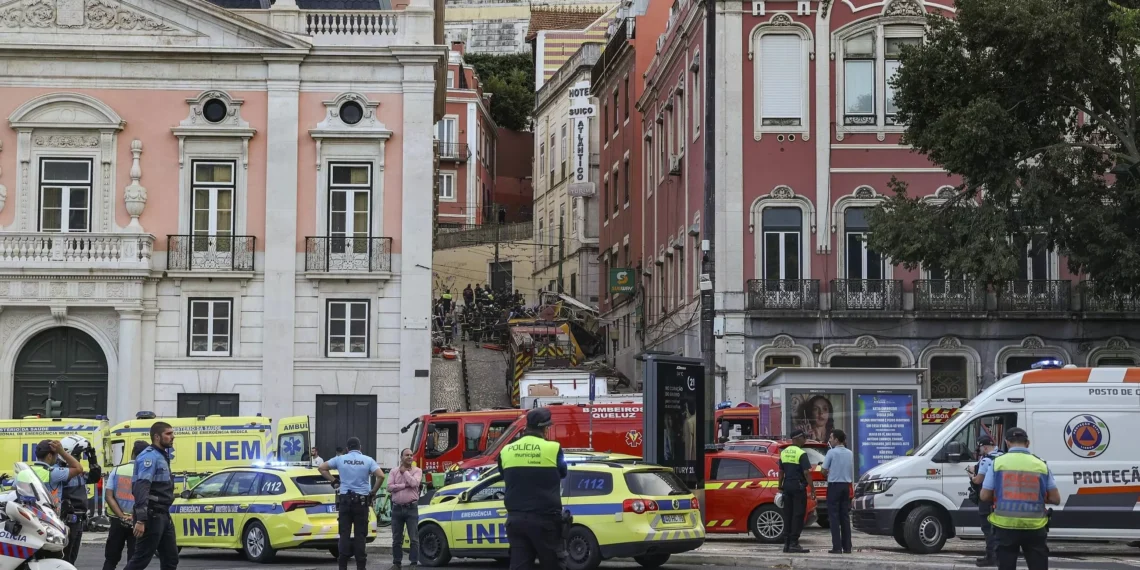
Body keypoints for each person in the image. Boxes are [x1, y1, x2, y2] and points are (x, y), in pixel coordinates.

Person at [497, 408, 568, 570]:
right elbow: (563, 473)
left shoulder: (506, 451)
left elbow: (504, 474)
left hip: (516, 520)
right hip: (546, 520)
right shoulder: (553, 448)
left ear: (527, 426)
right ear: (545, 428)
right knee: (553, 564)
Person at [980, 427, 1060, 570]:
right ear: (1027, 443)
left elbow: (984, 496)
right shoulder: (1041, 464)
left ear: (1007, 443)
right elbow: (1055, 498)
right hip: (1035, 527)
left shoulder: (997, 463)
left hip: (1005, 527)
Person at [319, 437, 385, 570]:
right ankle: (361, 567)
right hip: (361, 502)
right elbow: (381, 476)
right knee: (360, 536)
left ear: (347, 449)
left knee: (344, 534)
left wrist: (334, 481)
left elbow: (322, 468)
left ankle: (342, 566)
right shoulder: (368, 460)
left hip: (345, 501)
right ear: (360, 447)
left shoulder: (340, 459)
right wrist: (372, 492)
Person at [123, 422, 178, 570]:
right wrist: (141, 519)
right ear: (157, 437)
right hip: (152, 515)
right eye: (168, 434)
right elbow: (141, 488)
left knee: (171, 559)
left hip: (163, 514)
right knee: (140, 560)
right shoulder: (149, 457)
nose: (173, 436)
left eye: (172, 433)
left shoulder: (161, 456)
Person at [104, 441, 149, 570]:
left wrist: (122, 516)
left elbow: (109, 496)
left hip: (118, 521)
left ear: (132, 453)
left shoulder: (118, 469)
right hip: (138, 522)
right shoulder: (147, 473)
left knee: (111, 558)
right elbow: (148, 498)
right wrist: (133, 515)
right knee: (134, 559)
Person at [60, 436, 102, 563]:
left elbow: (94, 477)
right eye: (77, 456)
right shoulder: (62, 473)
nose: (79, 459)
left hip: (79, 520)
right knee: (65, 557)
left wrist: (92, 457)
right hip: (68, 521)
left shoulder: (78, 473)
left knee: (72, 557)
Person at [969, 434, 1004, 567]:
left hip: (987, 498)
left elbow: (978, 480)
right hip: (1002, 498)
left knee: (987, 528)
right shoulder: (1002, 455)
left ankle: (990, 557)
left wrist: (971, 475)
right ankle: (999, 556)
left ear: (984, 447)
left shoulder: (986, 460)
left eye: (980, 449)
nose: (980, 451)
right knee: (999, 528)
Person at [778, 429, 814, 553]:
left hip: (787, 486)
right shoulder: (801, 453)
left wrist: (780, 486)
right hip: (798, 487)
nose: (805, 440)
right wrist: (812, 489)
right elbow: (806, 473)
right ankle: (794, 543)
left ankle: (786, 544)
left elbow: (781, 472)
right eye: (804, 437)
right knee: (798, 515)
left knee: (788, 515)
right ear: (797, 438)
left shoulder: (784, 452)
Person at [26, 439, 84, 511]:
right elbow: (78, 468)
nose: (57, 458)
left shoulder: (24, 472)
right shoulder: (53, 473)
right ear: (50, 456)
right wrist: (62, 452)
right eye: (56, 455)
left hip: (30, 515)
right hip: (48, 516)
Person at [387, 448, 422, 569]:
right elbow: (389, 487)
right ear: (401, 457)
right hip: (397, 509)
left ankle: (413, 563)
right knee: (396, 538)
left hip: (411, 508)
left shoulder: (417, 471)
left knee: (414, 538)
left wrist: (405, 473)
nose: (410, 457)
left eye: (411, 455)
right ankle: (397, 563)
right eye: (407, 455)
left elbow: (414, 484)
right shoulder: (393, 471)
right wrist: (404, 485)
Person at [821, 429, 854, 554]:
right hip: (846, 486)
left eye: (831, 437)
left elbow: (823, 470)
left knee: (834, 517)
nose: (829, 439)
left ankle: (837, 547)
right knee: (844, 516)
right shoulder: (849, 453)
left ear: (836, 439)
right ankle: (847, 547)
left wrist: (827, 473)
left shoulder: (831, 452)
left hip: (834, 486)